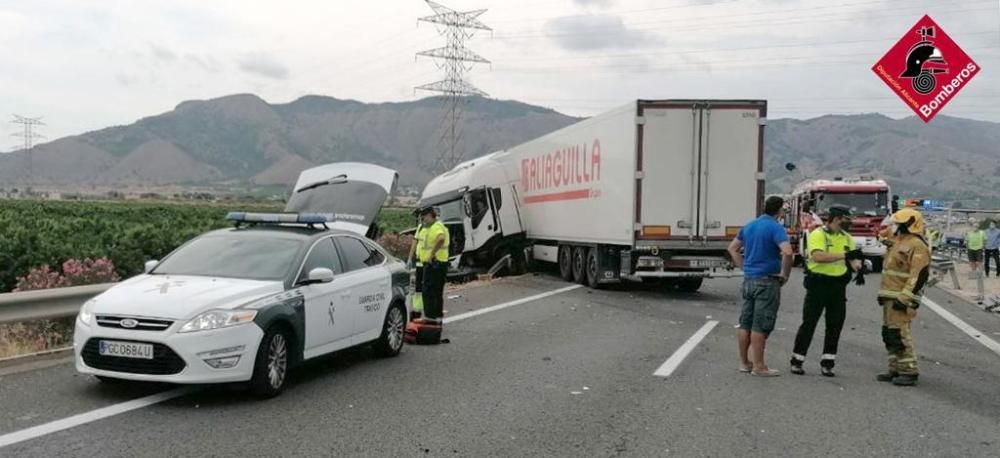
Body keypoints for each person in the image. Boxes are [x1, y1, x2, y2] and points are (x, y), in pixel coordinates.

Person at [790, 205, 863, 377]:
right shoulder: (818, 234)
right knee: (809, 324)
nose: (849, 223)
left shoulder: (846, 237)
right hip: (818, 285)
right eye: (847, 219)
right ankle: (797, 361)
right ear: (837, 218)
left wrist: (858, 267)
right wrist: (845, 256)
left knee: (835, 325)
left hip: (838, 287)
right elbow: (818, 257)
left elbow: (853, 259)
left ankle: (828, 363)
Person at [727, 195, 794, 377]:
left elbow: (732, 248)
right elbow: (787, 252)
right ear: (779, 210)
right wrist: (785, 274)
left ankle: (743, 362)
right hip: (767, 281)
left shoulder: (750, 225)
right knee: (760, 325)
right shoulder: (775, 228)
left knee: (745, 323)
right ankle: (759, 365)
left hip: (749, 279)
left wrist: (744, 266)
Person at [877, 208, 931, 387]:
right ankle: (895, 367)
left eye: (899, 223)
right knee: (889, 334)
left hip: (901, 298)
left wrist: (905, 299)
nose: (896, 226)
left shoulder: (917, 245)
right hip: (889, 295)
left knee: (900, 334)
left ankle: (909, 370)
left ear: (909, 224)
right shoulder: (898, 240)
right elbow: (881, 235)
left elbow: (918, 276)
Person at [418, 206, 450, 326]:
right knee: (437, 292)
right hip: (440, 263)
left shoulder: (436, 226)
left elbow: (441, 239)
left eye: (424, 217)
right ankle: (437, 319)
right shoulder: (438, 225)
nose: (423, 220)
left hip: (434, 264)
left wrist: (431, 254)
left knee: (428, 292)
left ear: (430, 215)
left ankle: (430, 319)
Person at [406, 215, 427, 321]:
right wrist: (409, 258)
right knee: (418, 289)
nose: (421, 221)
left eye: (422, 218)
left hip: (429, 264)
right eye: (420, 219)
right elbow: (414, 243)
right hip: (419, 264)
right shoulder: (420, 228)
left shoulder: (434, 229)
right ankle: (416, 312)